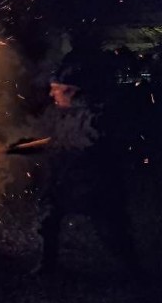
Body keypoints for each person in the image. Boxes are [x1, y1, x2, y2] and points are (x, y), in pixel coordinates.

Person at [32, 55, 142, 278]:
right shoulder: (58, 113)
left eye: (56, 89)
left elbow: (93, 140)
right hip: (62, 181)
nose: (52, 94)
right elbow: (46, 139)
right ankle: (47, 264)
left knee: (111, 229)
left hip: (95, 185)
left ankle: (134, 269)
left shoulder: (95, 115)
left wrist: (66, 140)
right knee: (47, 219)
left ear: (71, 91)